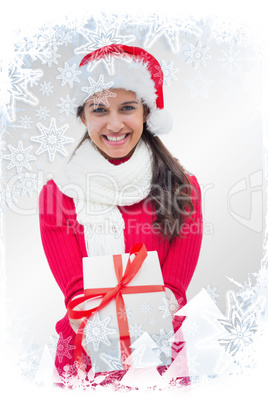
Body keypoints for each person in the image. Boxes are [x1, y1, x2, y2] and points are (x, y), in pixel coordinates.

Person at [38, 44, 203, 384]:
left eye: (127, 107)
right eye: (99, 109)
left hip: (161, 350)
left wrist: (143, 356)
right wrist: (107, 346)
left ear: (146, 113)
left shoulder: (183, 189)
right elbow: (75, 291)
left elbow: (173, 288)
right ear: (83, 116)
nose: (114, 124)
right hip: (86, 350)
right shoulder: (58, 195)